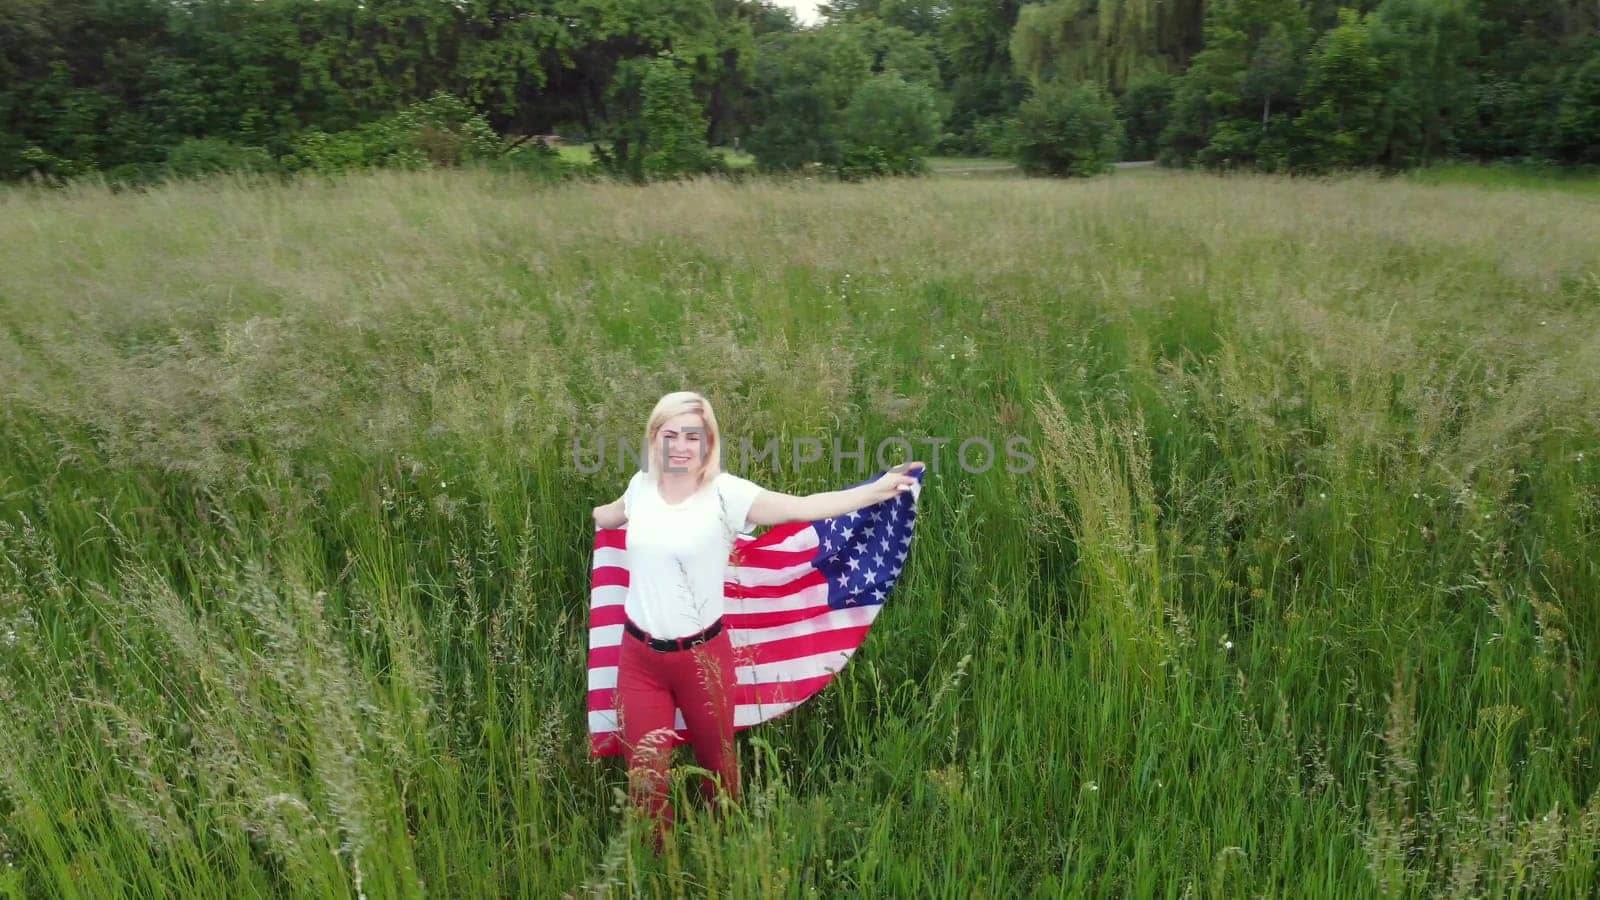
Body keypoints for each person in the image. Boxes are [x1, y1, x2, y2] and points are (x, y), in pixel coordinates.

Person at [591, 390, 922, 852]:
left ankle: (723, 852)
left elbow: (803, 507)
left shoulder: (727, 494)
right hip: (639, 659)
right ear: (653, 438)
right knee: (646, 780)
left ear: (708, 443)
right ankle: (656, 868)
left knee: (718, 766)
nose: (681, 446)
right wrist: (597, 516)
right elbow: (613, 514)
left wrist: (877, 489)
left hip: (702, 657)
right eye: (671, 434)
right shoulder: (640, 485)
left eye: (694, 436)